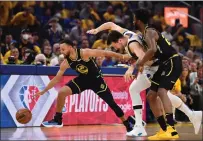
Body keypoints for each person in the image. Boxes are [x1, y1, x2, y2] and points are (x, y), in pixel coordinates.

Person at [87, 22, 202, 137]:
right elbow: (111, 24)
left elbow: (143, 58)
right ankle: (140, 126)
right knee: (136, 90)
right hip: (149, 67)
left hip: (154, 67)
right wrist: (97, 30)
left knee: (162, 95)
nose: (115, 48)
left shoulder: (133, 44)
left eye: (114, 46)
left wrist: (132, 68)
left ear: (120, 41)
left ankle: (190, 115)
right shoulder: (124, 33)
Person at [35, 39, 133, 133]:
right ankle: (58, 119)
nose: (61, 52)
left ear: (70, 47)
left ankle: (127, 123)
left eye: (63, 49)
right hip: (83, 80)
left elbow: (105, 53)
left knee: (112, 104)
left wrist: (123, 56)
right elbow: (56, 78)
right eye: (60, 50)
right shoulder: (66, 62)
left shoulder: (84, 53)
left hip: (97, 81)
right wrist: (44, 90)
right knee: (62, 92)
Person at [133, 8, 182, 140]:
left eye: (133, 18)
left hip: (172, 61)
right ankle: (163, 129)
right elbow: (154, 52)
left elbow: (152, 49)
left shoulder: (149, 31)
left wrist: (140, 63)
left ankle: (171, 130)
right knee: (151, 96)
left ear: (137, 21)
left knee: (161, 92)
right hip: (163, 64)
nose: (133, 20)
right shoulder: (145, 33)